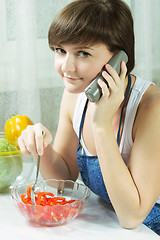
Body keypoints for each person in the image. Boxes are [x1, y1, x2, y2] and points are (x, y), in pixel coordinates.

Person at [18, 0, 160, 235]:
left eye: (83, 53)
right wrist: (41, 148)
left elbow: (132, 216)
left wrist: (101, 126)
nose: (67, 67)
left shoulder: (152, 107)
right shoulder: (76, 94)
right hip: (114, 227)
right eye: (60, 51)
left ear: (119, 59)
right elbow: (64, 179)